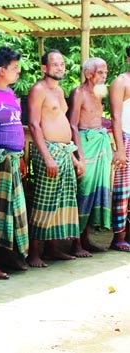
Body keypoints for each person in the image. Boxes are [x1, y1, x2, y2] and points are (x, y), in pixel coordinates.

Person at [26, 49, 83, 268]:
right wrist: (47, 157)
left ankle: (52, 248)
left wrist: (74, 156)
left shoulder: (60, 91)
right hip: (48, 151)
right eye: (55, 64)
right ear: (44, 68)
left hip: (64, 151)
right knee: (44, 200)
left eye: (62, 64)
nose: (60, 67)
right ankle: (34, 252)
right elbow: (34, 124)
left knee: (62, 202)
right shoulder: (38, 89)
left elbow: (65, 122)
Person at [0, 46, 29, 272]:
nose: (18, 72)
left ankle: (8, 255)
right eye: (14, 68)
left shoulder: (10, 94)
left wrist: (20, 156)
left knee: (10, 212)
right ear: (1, 70)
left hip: (13, 158)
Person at [69, 57, 112, 257]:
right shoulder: (78, 93)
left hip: (99, 141)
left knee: (94, 193)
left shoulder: (99, 92)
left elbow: (96, 116)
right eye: (101, 72)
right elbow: (73, 124)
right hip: (85, 144)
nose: (104, 76)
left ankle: (86, 239)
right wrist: (80, 155)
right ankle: (75, 242)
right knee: (83, 192)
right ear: (89, 74)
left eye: (105, 72)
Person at [109, 44, 130, 252]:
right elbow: (115, 116)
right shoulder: (120, 82)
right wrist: (120, 148)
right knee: (123, 190)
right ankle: (119, 236)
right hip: (125, 137)